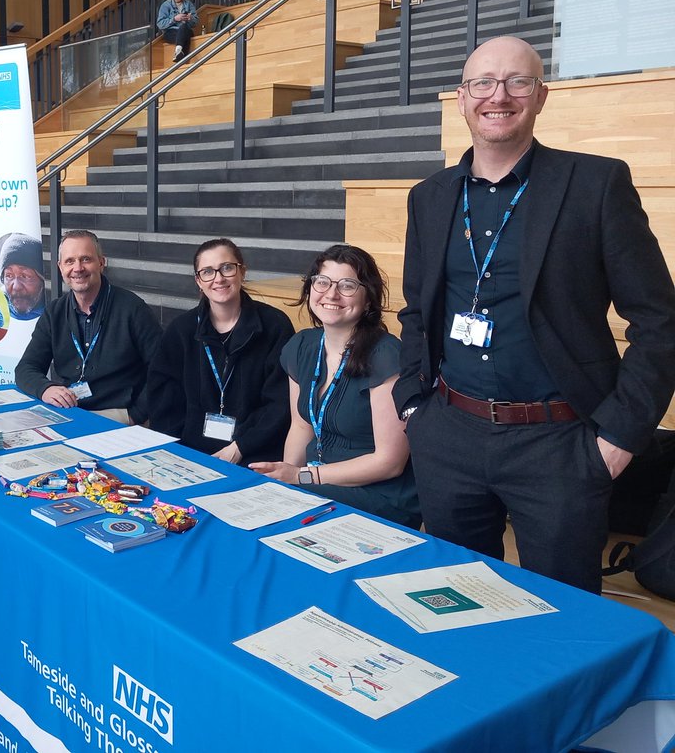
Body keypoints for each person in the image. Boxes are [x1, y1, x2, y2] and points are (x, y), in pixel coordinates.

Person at [395, 36, 675, 591]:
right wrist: (413, 408)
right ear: (461, 97)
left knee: (563, 616)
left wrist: (616, 439)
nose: (498, 96)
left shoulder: (596, 184)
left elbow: (660, 322)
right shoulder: (429, 196)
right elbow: (416, 313)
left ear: (540, 96)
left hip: (561, 446)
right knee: (454, 599)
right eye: (483, 83)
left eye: (517, 82)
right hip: (448, 434)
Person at [250, 245, 420, 528]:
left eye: (348, 285)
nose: (331, 294)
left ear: (368, 300)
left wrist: (301, 478)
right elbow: (301, 427)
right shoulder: (301, 346)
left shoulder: (386, 355)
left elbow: (389, 462)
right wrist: (285, 481)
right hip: (314, 482)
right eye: (322, 282)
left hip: (377, 494)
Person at [147, 239, 294, 466]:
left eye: (227, 268)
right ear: (198, 281)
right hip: (190, 452)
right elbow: (164, 399)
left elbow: (280, 403)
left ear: (242, 272)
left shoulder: (275, 326)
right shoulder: (181, 330)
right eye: (207, 272)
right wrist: (178, 452)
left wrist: (241, 446)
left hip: (254, 453)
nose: (218, 278)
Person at [16, 230, 161, 425]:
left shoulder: (133, 309)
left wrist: (137, 414)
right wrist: (45, 389)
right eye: (69, 261)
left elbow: (162, 369)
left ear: (101, 263)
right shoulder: (55, 312)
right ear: (60, 267)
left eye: (85, 259)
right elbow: (26, 368)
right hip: (72, 411)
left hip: (120, 414)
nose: (77, 268)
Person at [0, 232, 47, 320]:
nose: (16, 287)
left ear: (42, 280)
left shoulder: (58, 312)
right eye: (9, 276)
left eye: (25, 276)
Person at [156, 0, 198, 64]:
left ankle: (178, 51)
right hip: (171, 32)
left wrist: (191, 18)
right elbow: (160, 24)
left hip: (186, 30)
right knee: (184, 37)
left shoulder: (189, 4)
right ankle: (182, 58)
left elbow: (196, 22)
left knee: (184, 27)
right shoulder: (166, 5)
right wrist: (174, 19)